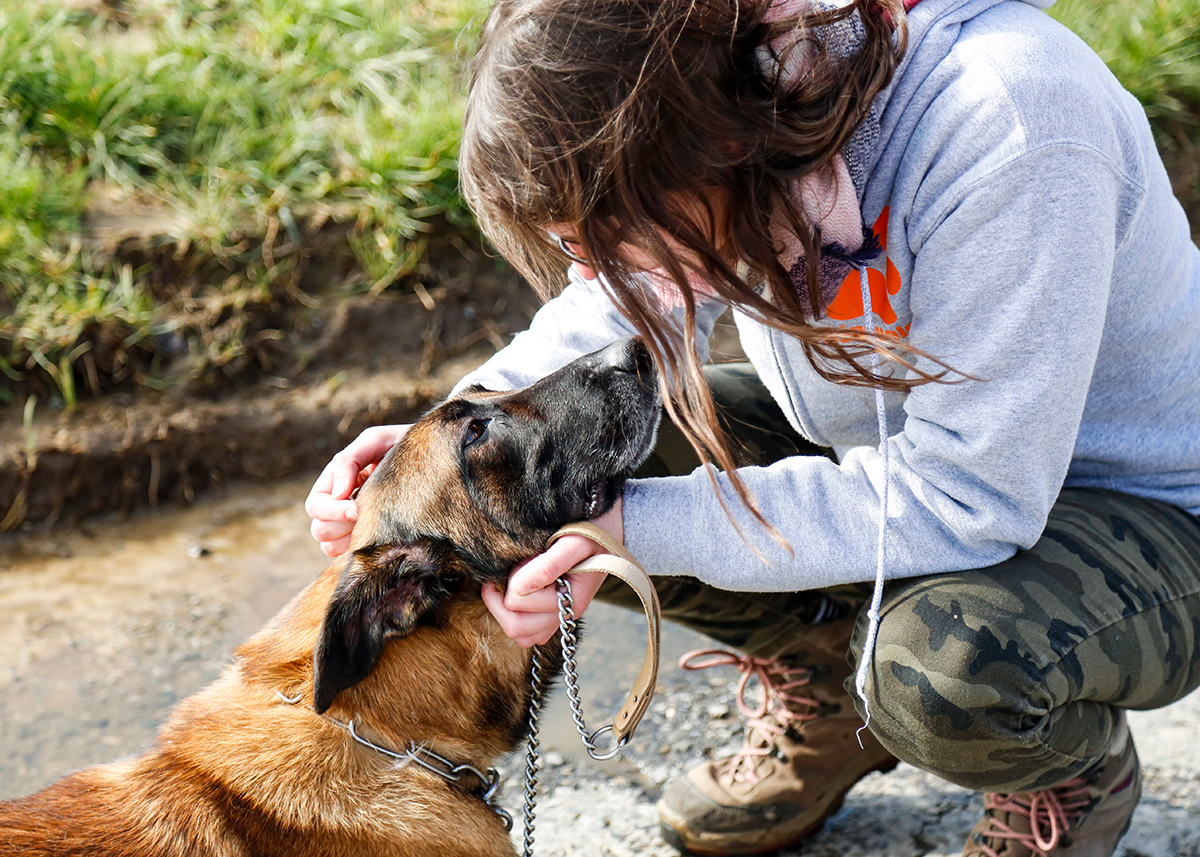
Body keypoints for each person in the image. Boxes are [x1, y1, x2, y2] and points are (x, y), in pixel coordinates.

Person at [306, 0, 1200, 854]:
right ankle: (828, 681)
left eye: (606, 235)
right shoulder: (734, 110)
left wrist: (633, 529)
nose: (599, 266)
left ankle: (1059, 766)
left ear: (704, 143)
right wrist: (440, 443)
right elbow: (618, 312)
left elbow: (971, 494)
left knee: (941, 667)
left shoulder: (1009, 120)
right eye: (578, 249)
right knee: (552, 473)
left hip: (1138, 510)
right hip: (893, 451)